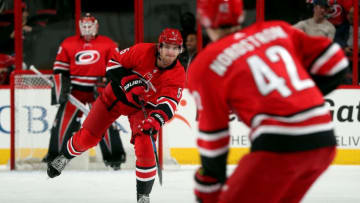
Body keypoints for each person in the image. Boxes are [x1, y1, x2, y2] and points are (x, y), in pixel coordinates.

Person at [187, 0, 349, 203]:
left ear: (203, 19)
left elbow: (214, 134)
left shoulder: (205, 64)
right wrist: (299, 98)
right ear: (241, 15)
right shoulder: (275, 30)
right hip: (324, 141)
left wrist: (209, 180)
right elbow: (336, 60)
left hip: (279, 145)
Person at [47, 28, 186, 203]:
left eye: (175, 48)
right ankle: (64, 157)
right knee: (88, 138)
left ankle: (143, 196)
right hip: (114, 97)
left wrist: (155, 120)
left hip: (143, 109)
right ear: (159, 46)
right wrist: (127, 81)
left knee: (146, 147)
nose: (170, 52)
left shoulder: (178, 74)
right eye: (167, 47)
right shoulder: (142, 50)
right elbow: (113, 64)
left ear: (180, 50)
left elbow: (169, 103)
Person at [42, 13, 126, 170]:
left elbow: (117, 68)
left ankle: (115, 158)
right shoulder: (68, 43)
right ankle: (55, 158)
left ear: (96, 26)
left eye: (90, 26)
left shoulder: (108, 44)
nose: (87, 30)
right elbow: (60, 68)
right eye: (84, 27)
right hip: (75, 91)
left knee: (106, 124)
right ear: (79, 28)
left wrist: (108, 83)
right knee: (61, 124)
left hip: (99, 91)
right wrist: (61, 86)